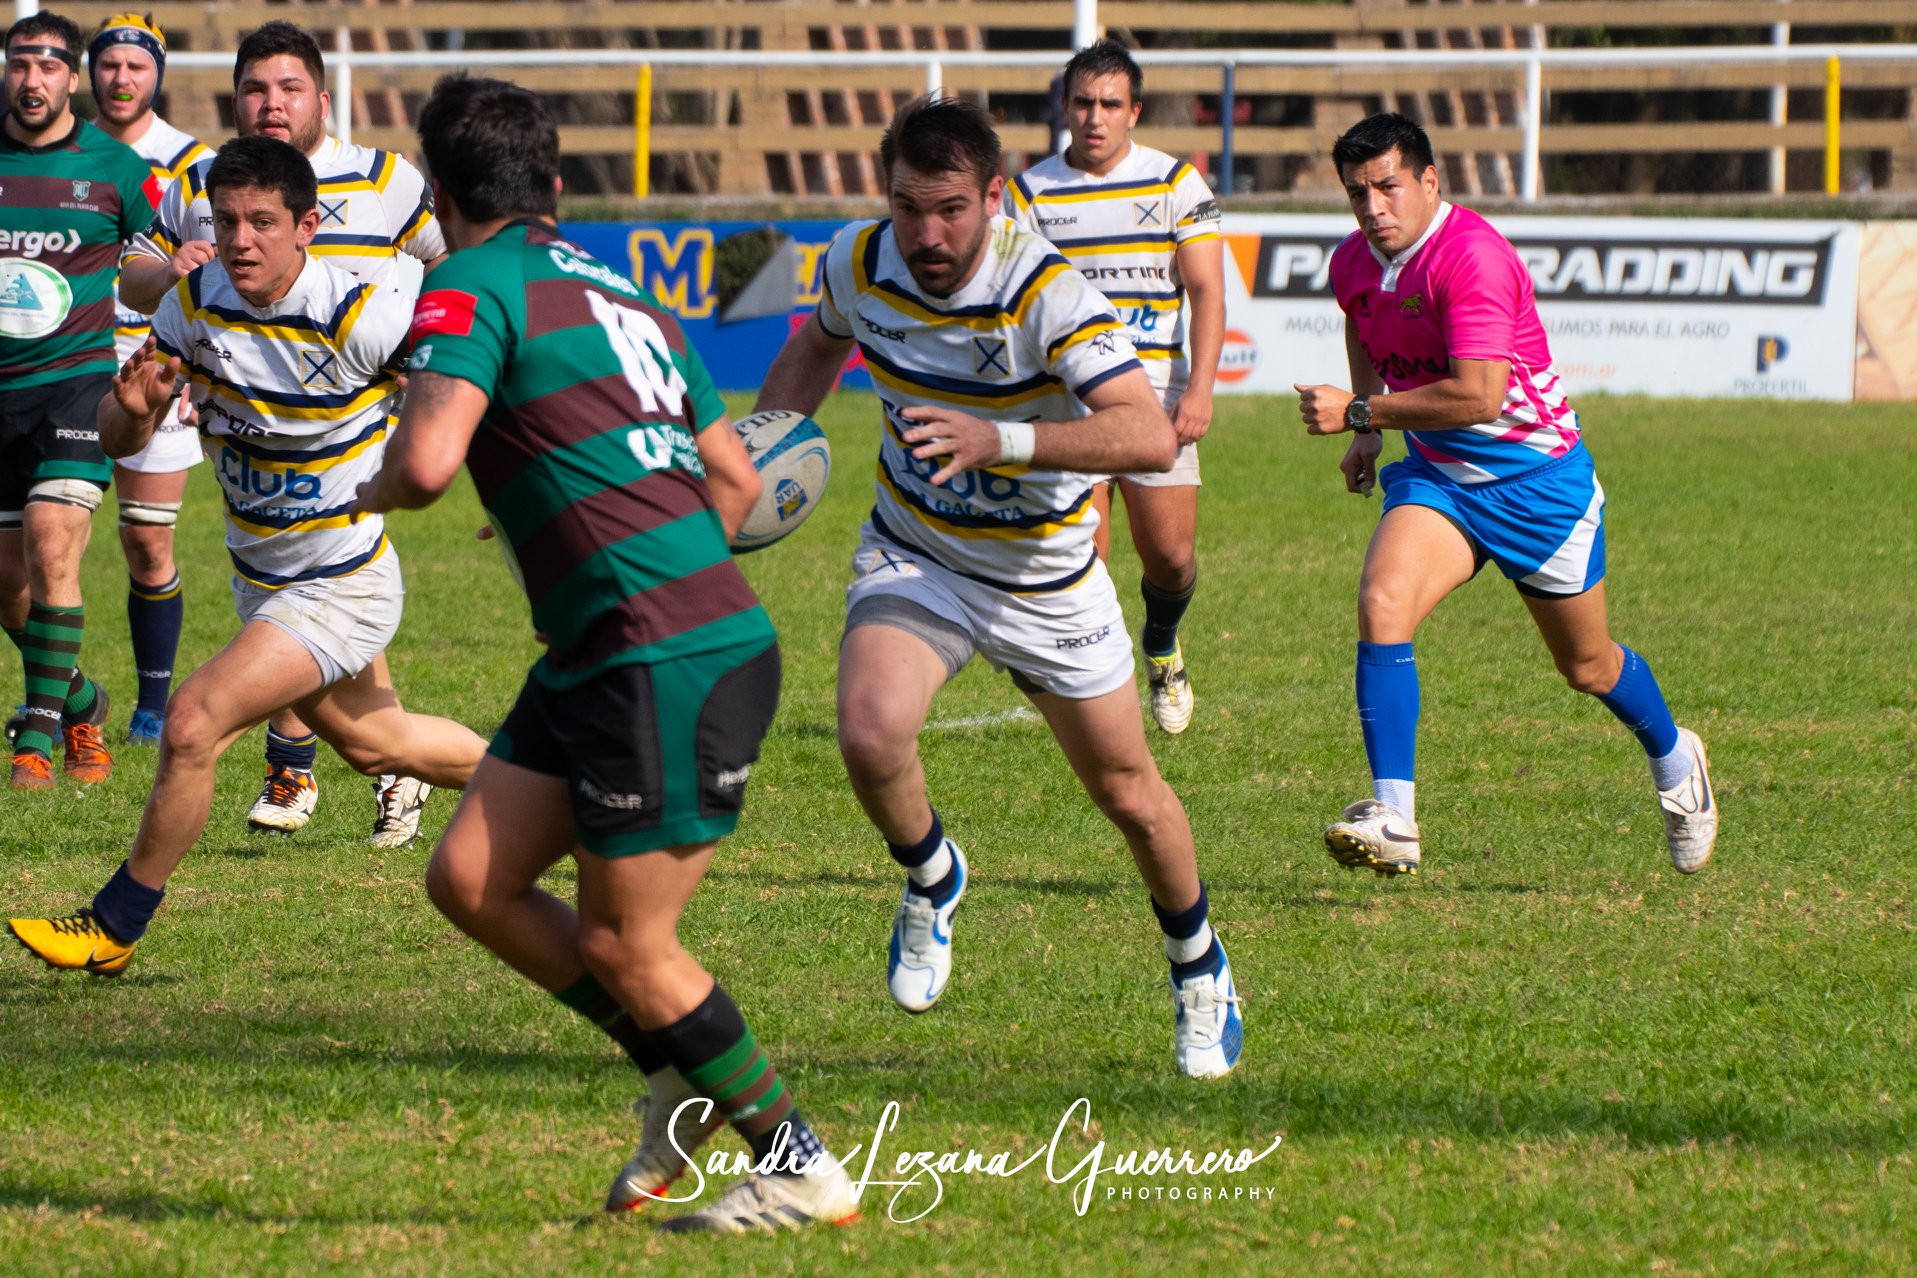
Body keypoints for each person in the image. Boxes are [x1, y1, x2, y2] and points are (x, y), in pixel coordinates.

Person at [348, 75, 857, 1234]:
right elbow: (730, 483)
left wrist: (367, 487)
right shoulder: (629, 293)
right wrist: (609, 523)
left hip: (655, 650)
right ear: (556, 184)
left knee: (632, 941)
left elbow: (427, 466)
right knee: (470, 880)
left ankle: (800, 1164)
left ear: (436, 192)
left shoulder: (465, 286)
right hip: (609, 643)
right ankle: (679, 1072)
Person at [758, 94, 1242, 1079]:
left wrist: (1001, 441)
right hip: (920, 550)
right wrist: (759, 449)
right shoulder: (859, 262)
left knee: (1130, 795)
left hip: (1045, 578)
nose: (927, 236)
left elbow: (1147, 434)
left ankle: (1199, 966)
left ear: (993, 197)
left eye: (950, 210)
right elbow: (818, 343)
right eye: (907, 208)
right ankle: (933, 878)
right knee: (868, 728)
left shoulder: (1050, 293)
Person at [7, 135, 486, 976]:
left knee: (194, 722)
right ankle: (568, 793)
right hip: (263, 579)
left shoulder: (362, 312)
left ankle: (113, 926)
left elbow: (471, 390)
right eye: (226, 220)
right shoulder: (191, 305)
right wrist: (136, 411)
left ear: (307, 226)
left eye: (263, 221)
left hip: (341, 580)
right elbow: (123, 438)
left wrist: (511, 502)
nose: (241, 240)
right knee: (382, 745)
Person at [1294, 112, 1718, 878]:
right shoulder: (1354, 260)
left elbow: (1479, 397)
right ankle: (1394, 815)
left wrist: (1358, 412)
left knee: (1587, 667)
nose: (1372, 208)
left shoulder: (1471, 258)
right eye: (1357, 193)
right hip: (1441, 478)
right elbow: (1362, 320)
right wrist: (1368, 432)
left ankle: (1674, 753)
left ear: (1429, 181)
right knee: (1382, 603)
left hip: (1538, 487)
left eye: (1388, 187)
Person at [119, 18, 446, 846]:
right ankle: (536, 780)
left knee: (213, 705)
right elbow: (139, 270)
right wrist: (179, 284)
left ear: (321, 98)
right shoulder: (205, 184)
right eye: (254, 90)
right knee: (370, 727)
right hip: (253, 448)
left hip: (357, 430)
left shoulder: (387, 183)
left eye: (287, 87)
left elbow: (451, 273)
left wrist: (437, 372)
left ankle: (277, 786)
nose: (270, 103)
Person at [1007, 39, 1224, 735]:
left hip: (1158, 399)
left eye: (1109, 104)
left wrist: (1200, 390)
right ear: (1063, 107)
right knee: (1084, 558)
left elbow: (1207, 292)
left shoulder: (1174, 183)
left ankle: (1161, 644)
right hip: (1068, 405)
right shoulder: (1028, 193)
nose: (1094, 117)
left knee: (1170, 557)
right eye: (1082, 102)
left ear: (1133, 111)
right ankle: (1097, 693)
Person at [0, 10, 157, 790]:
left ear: (74, 76)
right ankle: (83, 703)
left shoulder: (117, 170)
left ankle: (37, 739)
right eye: (20, 65)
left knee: (51, 544)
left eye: (49, 66)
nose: (34, 81)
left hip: (75, 383)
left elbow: (157, 264)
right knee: (9, 590)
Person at [86, 12, 212, 746]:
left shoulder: (193, 159)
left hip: (157, 364)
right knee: (43, 544)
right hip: (65, 360)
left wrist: (199, 358)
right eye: (109, 65)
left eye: (137, 65)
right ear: (90, 73)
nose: (122, 77)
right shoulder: (61, 152)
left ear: (156, 73)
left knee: (146, 541)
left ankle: (152, 705)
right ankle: (61, 701)